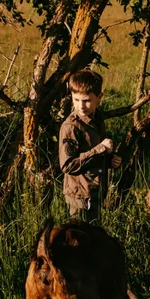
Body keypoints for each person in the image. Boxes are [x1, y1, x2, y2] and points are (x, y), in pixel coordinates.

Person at [58, 69, 121, 223]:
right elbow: (68, 165)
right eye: (76, 99)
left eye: (86, 100)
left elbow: (92, 152)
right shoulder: (70, 127)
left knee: (94, 235)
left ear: (99, 98)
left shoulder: (97, 117)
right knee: (79, 238)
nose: (81, 106)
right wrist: (100, 149)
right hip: (79, 194)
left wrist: (110, 159)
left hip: (96, 189)